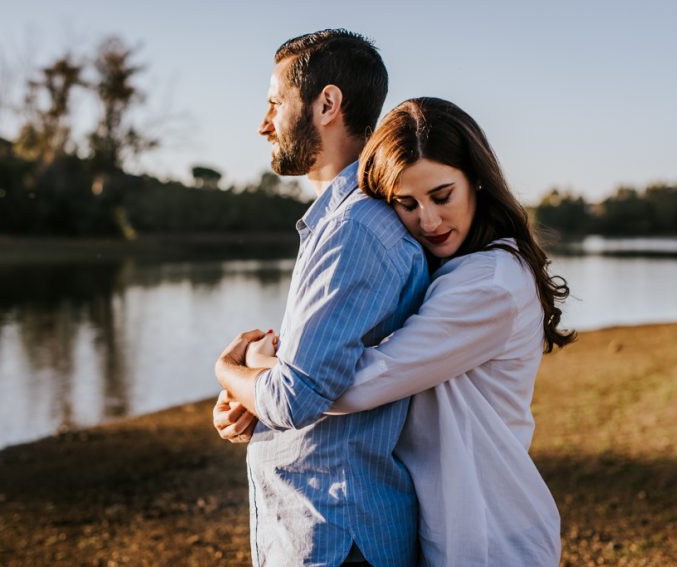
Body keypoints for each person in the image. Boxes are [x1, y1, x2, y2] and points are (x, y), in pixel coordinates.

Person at [218, 97, 575, 566]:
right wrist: (255, 397)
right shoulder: (447, 269)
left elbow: (351, 383)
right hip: (441, 527)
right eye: (407, 204)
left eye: (442, 195)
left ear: (478, 181)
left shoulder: (490, 282)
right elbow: (335, 350)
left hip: (493, 535)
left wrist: (244, 370)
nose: (428, 221)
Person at [213, 30, 430, 566]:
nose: (263, 124)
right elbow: (313, 380)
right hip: (330, 530)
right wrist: (249, 394)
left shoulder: (355, 228)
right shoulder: (345, 221)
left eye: (274, 104)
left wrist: (228, 371)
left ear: (327, 104)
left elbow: (296, 398)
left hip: (337, 537)